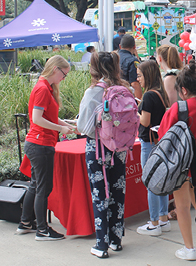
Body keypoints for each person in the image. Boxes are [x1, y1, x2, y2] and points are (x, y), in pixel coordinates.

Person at [157, 64, 196, 261]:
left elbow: (163, 134)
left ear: (183, 90)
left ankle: (189, 248)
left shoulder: (179, 108)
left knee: (182, 206)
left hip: (181, 166)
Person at [77, 52, 132, 258]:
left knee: (101, 194)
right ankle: (116, 240)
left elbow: (84, 127)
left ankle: (101, 245)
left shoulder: (94, 92)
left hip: (99, 149)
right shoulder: (123, 88)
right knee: (118, 191)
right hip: (120, 148)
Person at [17, 55, 75, 240]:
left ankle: (26, 222)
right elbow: (37, 119)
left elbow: (47, 117)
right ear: (55, 69)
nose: (63, 78)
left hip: (38, 143)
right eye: (64, 74)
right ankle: (42, 229)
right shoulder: (43, 89)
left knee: (36, 185)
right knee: (43, 187)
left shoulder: (45, 87)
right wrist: (61, 128)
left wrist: (67, 125)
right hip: (41, 144)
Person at [135, 60, 171, 237]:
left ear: (147, 75)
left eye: (140, 75)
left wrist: (135, 110)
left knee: (150, 182)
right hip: (161, 142)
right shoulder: (161, 92)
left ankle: (154, 222)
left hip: (149, 144)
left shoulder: (148, 96)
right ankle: (163, 219)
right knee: (162, 182)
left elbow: (145, 121)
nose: (137, 79)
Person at [118, 34, 142, 99]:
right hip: (126, 97)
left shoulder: (113, 57)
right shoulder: (132, 60)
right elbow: (135, 84)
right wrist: (139, 102)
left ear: (120, 46)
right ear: (134, 47)